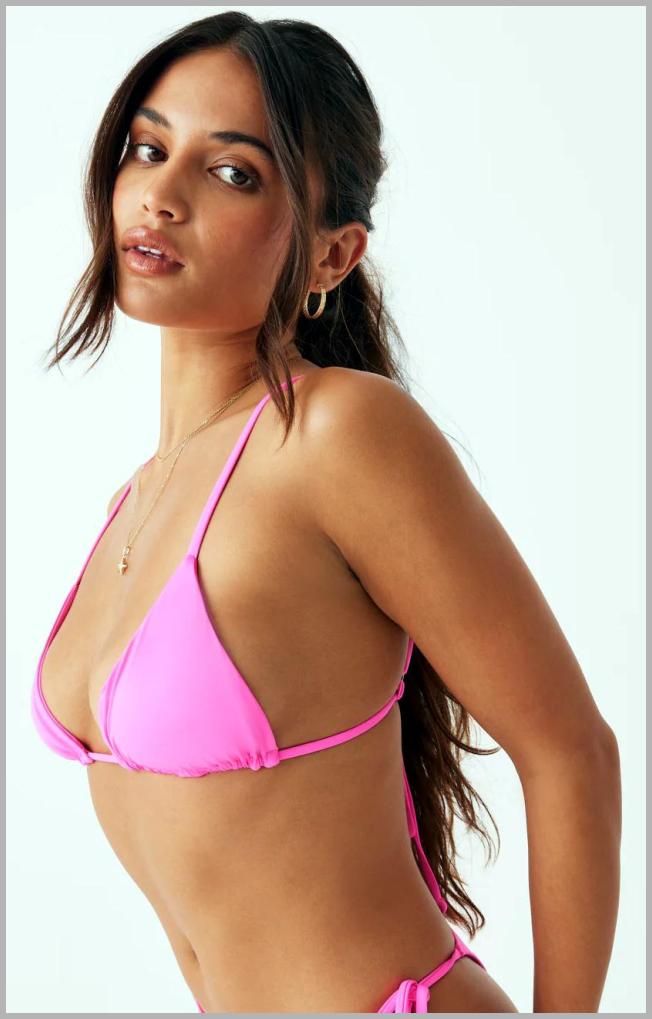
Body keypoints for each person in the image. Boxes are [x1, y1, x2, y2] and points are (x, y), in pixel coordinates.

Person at [31, 11, 620, 1014]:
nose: (162, 194)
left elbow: (571, 752)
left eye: (233, 172)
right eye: (149, 148)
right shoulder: (136, 497)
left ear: (332, 256)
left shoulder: (338, 433)